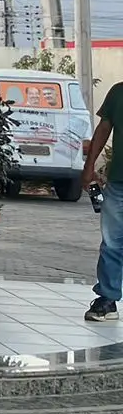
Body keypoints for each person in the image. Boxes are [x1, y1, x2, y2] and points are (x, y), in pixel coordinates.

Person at [82, 83, 121, 322]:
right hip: (119, 182)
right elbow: (103, 129)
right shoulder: (118, 93)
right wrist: (89, 167)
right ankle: (107, 298)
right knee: (112, 242)